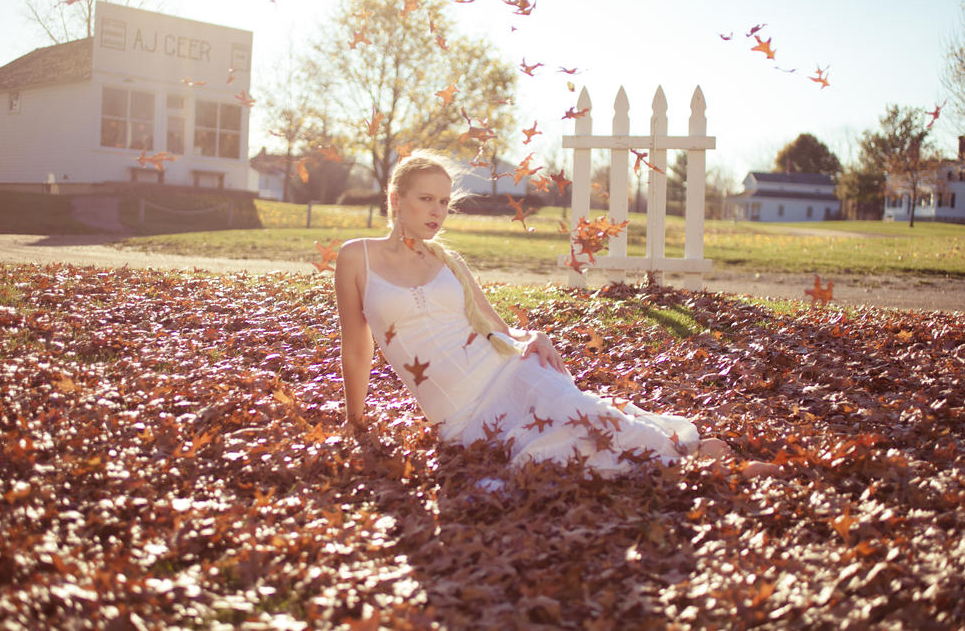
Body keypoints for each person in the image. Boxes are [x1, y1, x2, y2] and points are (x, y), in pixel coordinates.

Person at [334, 151, 780, 479]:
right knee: (550, 454)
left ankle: (695, 460)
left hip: (509, 372)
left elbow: (493, 325)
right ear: (396, 198)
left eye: (444, 202)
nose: (436, 212)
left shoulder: (448, 261)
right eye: (426, 199)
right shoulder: (357, 259)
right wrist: (356, 425)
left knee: (578, 411)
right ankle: (684, 459)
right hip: (461, 415)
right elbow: (356, 347)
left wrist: (530, 338)